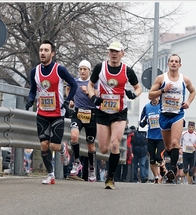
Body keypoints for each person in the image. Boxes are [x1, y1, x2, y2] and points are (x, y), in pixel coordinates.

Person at [87, 41, 142, 189]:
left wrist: (133, 94)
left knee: (115, 144)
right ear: (108, 53)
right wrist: (93, 97)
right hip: (102, 112)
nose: (114, 54)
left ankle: (110, 178)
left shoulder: (127, 70)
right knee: (104, 148)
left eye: (117, 51)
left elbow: (139, 88)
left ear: (122, 54)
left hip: (119, 113)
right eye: (111, 51)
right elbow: (90, 86)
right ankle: (109, 173)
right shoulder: (100, 67)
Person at [25, 40, 77, 185]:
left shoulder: (59, 70)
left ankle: (63, 148)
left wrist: (68, 101)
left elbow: (73, 85)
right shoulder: (35, 71)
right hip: (42, 113)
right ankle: (50, 174)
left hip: (57, 114)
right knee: (43, 145)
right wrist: (30, 100)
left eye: (46, 50)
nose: (42, 53)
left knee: (54, 146)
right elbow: (32, 91)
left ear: (52, 54)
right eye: (41, 50)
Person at [148, 54, 196, 184]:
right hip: (164, 115)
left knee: (175, 142)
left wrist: (188, 103)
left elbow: (193, 91)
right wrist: (163, 90)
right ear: (168, 64)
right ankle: (168, 167)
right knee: (168, 146)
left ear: (180, 65)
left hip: (178, 114)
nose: (174, 63)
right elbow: (150, 95)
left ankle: (172, 169)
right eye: (171, 61)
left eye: (176, 61)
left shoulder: (184, 80)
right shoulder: (161, 78)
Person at [67, 60, 98, 182]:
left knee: (90, 145)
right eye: (80, 69)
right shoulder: (75, 81)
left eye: (85, 69)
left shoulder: (93, 83)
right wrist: (70, 100)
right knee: (74, 136)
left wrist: (88, 92)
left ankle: (91, 168)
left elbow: (98, 95)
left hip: (91, 114)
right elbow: (68, 88)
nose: (82, 71)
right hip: (78, 113)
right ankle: (76, 162)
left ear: (89, 70)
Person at [140, 96, 165, 184]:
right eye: (152, 98)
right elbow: (141, 122)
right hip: (150, 137)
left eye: (156, 98)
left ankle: (163, 167)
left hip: (161, 137)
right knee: (152, 159)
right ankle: (156, 177)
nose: (154, 100)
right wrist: (145, 121)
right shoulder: (147, 107)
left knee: (159, 156)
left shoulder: (162, 106)